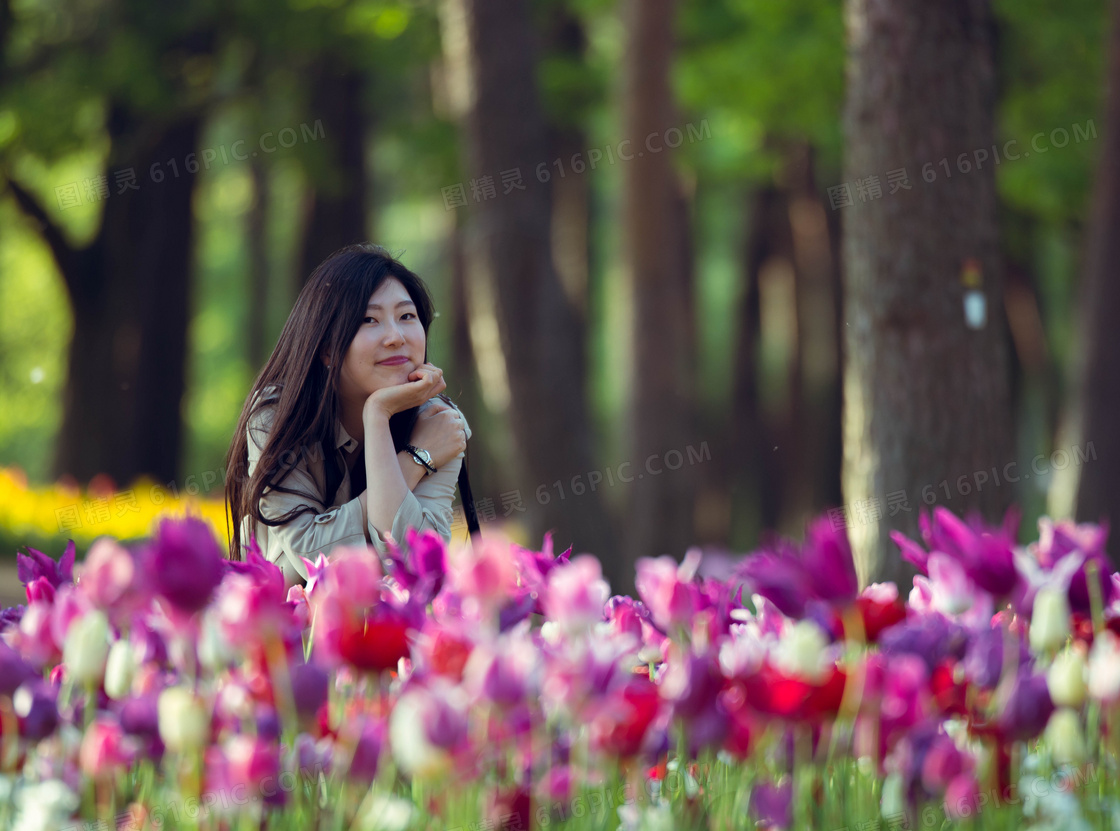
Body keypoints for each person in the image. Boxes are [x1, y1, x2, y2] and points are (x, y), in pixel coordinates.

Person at [224, 243, 472, 585]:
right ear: (327, 348)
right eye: (368, 320)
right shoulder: (279, 419)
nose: (395, 337)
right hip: (283, 626)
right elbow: (311, 557)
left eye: (407, 316)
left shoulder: (438, 423)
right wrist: (411, 458)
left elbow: (416, 567)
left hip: (389, 628)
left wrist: (379, 420)